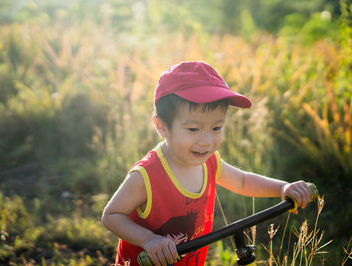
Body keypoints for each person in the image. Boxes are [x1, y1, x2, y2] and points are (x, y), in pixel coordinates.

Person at [102, 61, 312, 266]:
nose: (207, 141)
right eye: (193, 129)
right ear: (162, 126)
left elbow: (242, 181)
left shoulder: (209, 162)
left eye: (216, 128)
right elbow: (112, 215)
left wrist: (283, 188)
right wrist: (148, 239)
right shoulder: (147, 176)